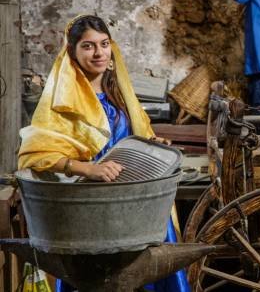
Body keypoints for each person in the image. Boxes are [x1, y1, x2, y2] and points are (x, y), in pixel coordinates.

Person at [17, 15, 190, 292]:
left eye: (104, 44)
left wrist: (153, 144)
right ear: (72, 51)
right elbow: (35, 155)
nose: (98, 53)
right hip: (94, 209)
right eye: (88, 46)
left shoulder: (119, 91)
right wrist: (88, 168)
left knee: (147, 274)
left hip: (138, 202)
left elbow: (133, 136)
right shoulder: (62, 102)